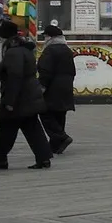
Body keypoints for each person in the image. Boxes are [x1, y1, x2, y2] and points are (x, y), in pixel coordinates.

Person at [0, 19, 53, 170]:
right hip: (29, 96)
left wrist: (10, 101)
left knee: (5, 128)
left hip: (18, 98)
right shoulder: (24, 49)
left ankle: (1, 158)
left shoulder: (13, 52)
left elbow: (15, 77)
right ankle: (43, 158)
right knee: (32, 127)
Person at [37, 24, 76, 154]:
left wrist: (42, 87)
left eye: (45, 36)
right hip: (66, 86)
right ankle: (55, 145)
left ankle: (61, 137)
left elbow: (45, 71)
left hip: (53, 87)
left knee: (45, 113)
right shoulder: (66, 50)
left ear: (49, 37)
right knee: (59, 114)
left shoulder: (50, 50)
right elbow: (72, 70)